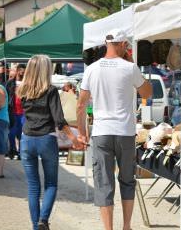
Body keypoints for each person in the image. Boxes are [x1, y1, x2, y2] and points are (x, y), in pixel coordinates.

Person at [76, 29, 152, 230]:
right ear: (122, 45)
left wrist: (82, 133)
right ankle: (126, 226)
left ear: (106, 43)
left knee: (103, 183)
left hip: (102, 131)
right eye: (126, 45)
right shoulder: (130, 67)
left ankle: (108, 229)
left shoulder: (92, 69)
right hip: (125, 132)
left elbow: (81, 104)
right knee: (127, 180)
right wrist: (133, 63)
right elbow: (147, 92)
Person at [17, 55, 83, 230]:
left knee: (32, 187)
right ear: (46, 70)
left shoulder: (22, 90)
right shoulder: (51, 90)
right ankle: (43, 220)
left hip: (27, 138)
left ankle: (36, 226)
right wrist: (74, 139)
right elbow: (59, 120)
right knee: (51, 183)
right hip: (46, 138)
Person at [6, 63, 26, 160]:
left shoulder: (27, 84)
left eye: (24, 71)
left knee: (21, 134)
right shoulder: (10, 83)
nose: (23, 72)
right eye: (21, 70)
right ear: (17, 71)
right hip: (12, 111)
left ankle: (20, 153)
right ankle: (12, 150)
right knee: (11, 133)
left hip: (23, 113)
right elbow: (6, 96)